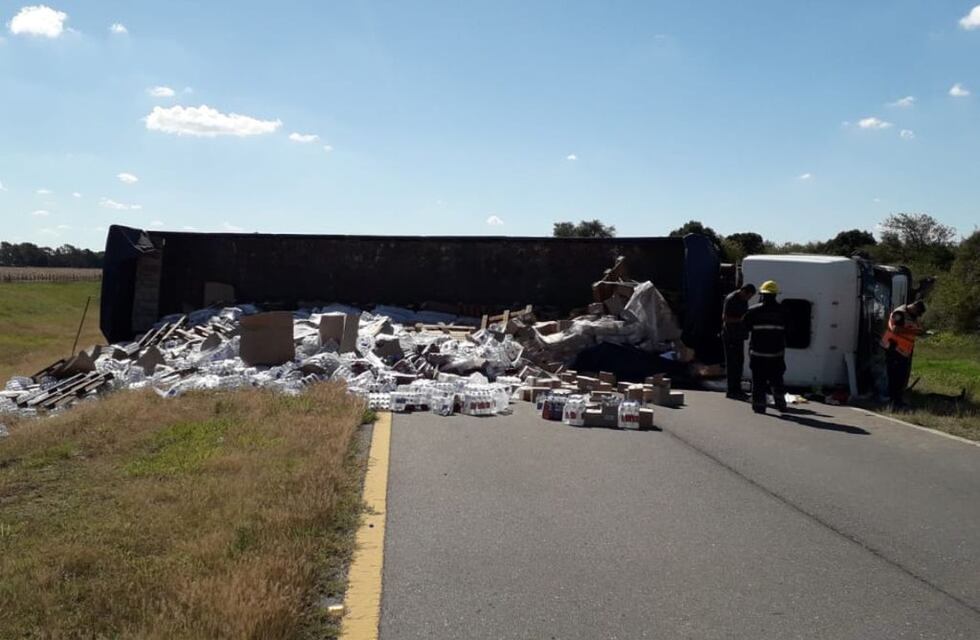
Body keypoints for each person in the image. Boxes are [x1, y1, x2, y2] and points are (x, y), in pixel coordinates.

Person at [743, 280, 788, 414]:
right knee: (777, 380)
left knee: (758, 380)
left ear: (762, 295)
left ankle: (759, 406)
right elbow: (790, 329)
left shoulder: (753, 311)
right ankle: (781, 404)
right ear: (775, 295)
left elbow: (745, 326)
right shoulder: (784, 311)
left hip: (758, 353)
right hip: (777, 353)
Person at [881, 300, 926, 410]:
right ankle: (893, 402)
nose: (917, 316)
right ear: (914, 307)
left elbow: (911, 328)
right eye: (917, 313)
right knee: (894, 377)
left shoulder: (910, 315)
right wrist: (915, 332)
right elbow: (896, 329)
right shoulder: (900, 313)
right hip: (894, 348)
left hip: (903, 351)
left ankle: (898, 400)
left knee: (901, 377)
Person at [721, 283, 756, 399]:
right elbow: (725, 318)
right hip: (730, 335)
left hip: (739, 336)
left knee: (739, 362)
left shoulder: (743, 300)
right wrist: (740, 320)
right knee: (732, 364)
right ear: (743, 291)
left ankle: (737, 389)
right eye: (749, 296)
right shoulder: (731, 299)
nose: (748, 299)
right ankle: (731, 390)